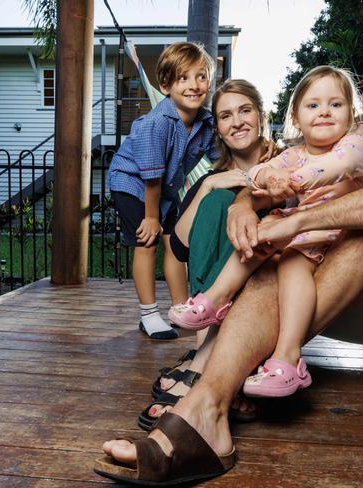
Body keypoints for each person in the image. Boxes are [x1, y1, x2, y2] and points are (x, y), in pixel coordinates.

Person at [95, 37, 363, 486]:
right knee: (270, 256)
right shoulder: (316, 138)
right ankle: (207, 412)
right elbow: (268, 179)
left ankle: (213, 377)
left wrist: (298, 221)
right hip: (289, 272)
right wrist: (241, 205)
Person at [170, 67, 363, 400]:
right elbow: (264, 173)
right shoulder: (293, 153)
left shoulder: (353, 145)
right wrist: (264, 178)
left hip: (336, 233)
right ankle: (214, 302)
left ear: (351, 114)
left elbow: (334, 166)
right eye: (313, 106)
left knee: (284, 258)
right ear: (296, 116)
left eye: (335, 105)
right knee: (258, 237)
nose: (324, 111)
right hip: (299, 234)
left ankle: (285, 356)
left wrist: (288, 181)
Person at [142, 79, 273, 429]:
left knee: (238, 213)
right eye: (226, 116)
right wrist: (213, 184)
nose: (238, 122)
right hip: (221, 298)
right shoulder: (210, 177)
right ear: (219, 129)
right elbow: (182, 246)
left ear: (261, 116)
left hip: (269, 280)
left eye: (245, 111)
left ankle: (205, 360)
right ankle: (218, 357)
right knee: (216, 202)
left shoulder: (288, 161)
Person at [108, 41, 216, 340]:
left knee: (176, 244)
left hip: (163, 190)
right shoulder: (156, 124)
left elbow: (222, 158)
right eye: (183, 78)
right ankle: (148, 315)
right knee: (149, 241)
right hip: (131, 183)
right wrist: (151, 218)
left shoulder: (206, 122)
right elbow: (151, 177)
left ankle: (182, 310)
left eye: (201, 76)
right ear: (165, 85)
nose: (194, 85)